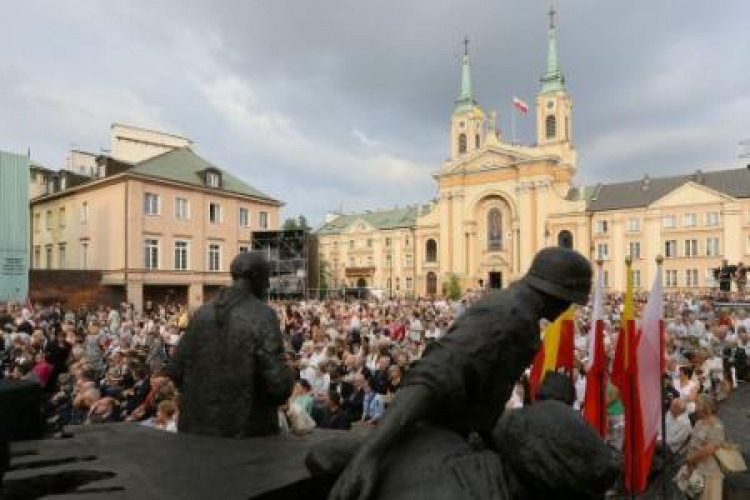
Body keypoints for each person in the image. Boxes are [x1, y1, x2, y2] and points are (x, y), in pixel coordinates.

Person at [329, 247, 593, 500]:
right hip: (435, 435)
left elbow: (487, 399)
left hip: (459, 435)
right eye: (569, 302)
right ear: (556, 295)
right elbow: (432, 377)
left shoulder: (522, 318)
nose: (567, 309)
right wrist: (370, 455)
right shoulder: (509, 314)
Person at [168, 251, 294, 438]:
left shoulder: (202, 313)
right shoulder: (263, 315)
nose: (268, 285)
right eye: (266, 278)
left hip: (197, 431)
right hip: (245, 435)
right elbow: (280, 387)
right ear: (255, 277)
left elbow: (175, 370)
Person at [685, 395, 726, 500]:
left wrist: (691, 459)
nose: (696, 407)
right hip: (695, 469)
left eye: (698, 404)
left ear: (705, 407)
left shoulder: (716, 425)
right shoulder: (699, 422)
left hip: (709, 472)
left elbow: (709, 449)